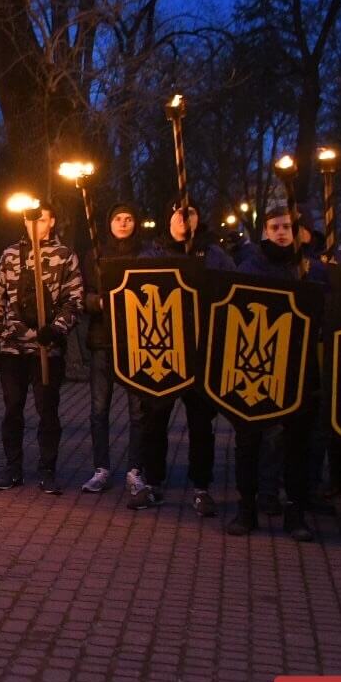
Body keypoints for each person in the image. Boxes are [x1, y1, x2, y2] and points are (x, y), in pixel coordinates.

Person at [225, 205, 324, 540]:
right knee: (249, 441)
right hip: (257, 364)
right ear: (265, 231)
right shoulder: (251, 267)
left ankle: (295, 513)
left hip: (299, 367)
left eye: (288, 227)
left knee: (296, 442)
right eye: (275, 227)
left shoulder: (313, 268)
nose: (282, 232)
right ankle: (246, 508)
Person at [127, 204, 232, 514]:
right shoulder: (153, 254)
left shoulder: (214, 255)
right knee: (154, 421)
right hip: (162, 350)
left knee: (201, 423)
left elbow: (230, 291)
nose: (184, 219)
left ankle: (202, 486)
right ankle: (154, 482)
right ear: (169, 217)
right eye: (178, 213)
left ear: (199, 219)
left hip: (201, 351)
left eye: (191, 213)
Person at [0, 204, 83, 493]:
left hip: (47, 349)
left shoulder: (64, 256)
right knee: (12, 408)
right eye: (31, 219)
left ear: (52, 222)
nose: (35, 224)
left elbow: (74, 299)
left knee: (47, 409)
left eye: (42, 219)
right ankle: (13, 467)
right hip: (13, 348)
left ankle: (47, 469)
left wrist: (55, 329)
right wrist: (2, 333)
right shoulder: (9, 255)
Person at [77, 203, 147, 495]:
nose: (123, 223)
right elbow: (83, 295)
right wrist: (99, 303)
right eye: (117, 218)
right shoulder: (95, 255)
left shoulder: (144, 255)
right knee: (98, 408)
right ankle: (101, 468)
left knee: (138, 410)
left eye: (129, 218)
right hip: (103, 339)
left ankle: (135, 469)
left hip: (136, 341)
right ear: (108, 223)